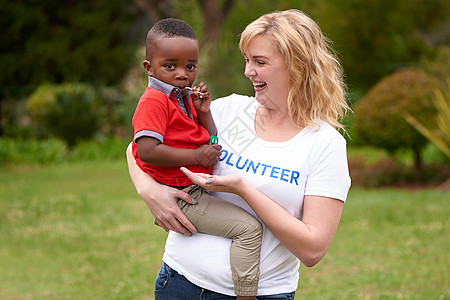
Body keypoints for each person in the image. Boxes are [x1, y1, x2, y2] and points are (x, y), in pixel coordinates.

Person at [127, 9, 351, 299]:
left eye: (260, 62)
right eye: (247, 60)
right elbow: (137, 148)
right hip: (179, 282)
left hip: (263, 293)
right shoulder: (229, 111)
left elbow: (313, 249)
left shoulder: (324, 144)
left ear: (297, 67)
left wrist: (243, 189)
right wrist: (149, 191)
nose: (248, 71)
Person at [131, 18, 263, 300]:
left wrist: (204, 113)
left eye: (190, 66)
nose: (182, 74)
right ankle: (248, 296)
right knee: (249, 229)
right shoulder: (155, 100)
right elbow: (145, 150)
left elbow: (211, 142)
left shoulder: (184, 98)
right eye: (170, 66)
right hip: (186, 193)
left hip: (197, 186)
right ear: (148, 67)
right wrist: (194, 156)